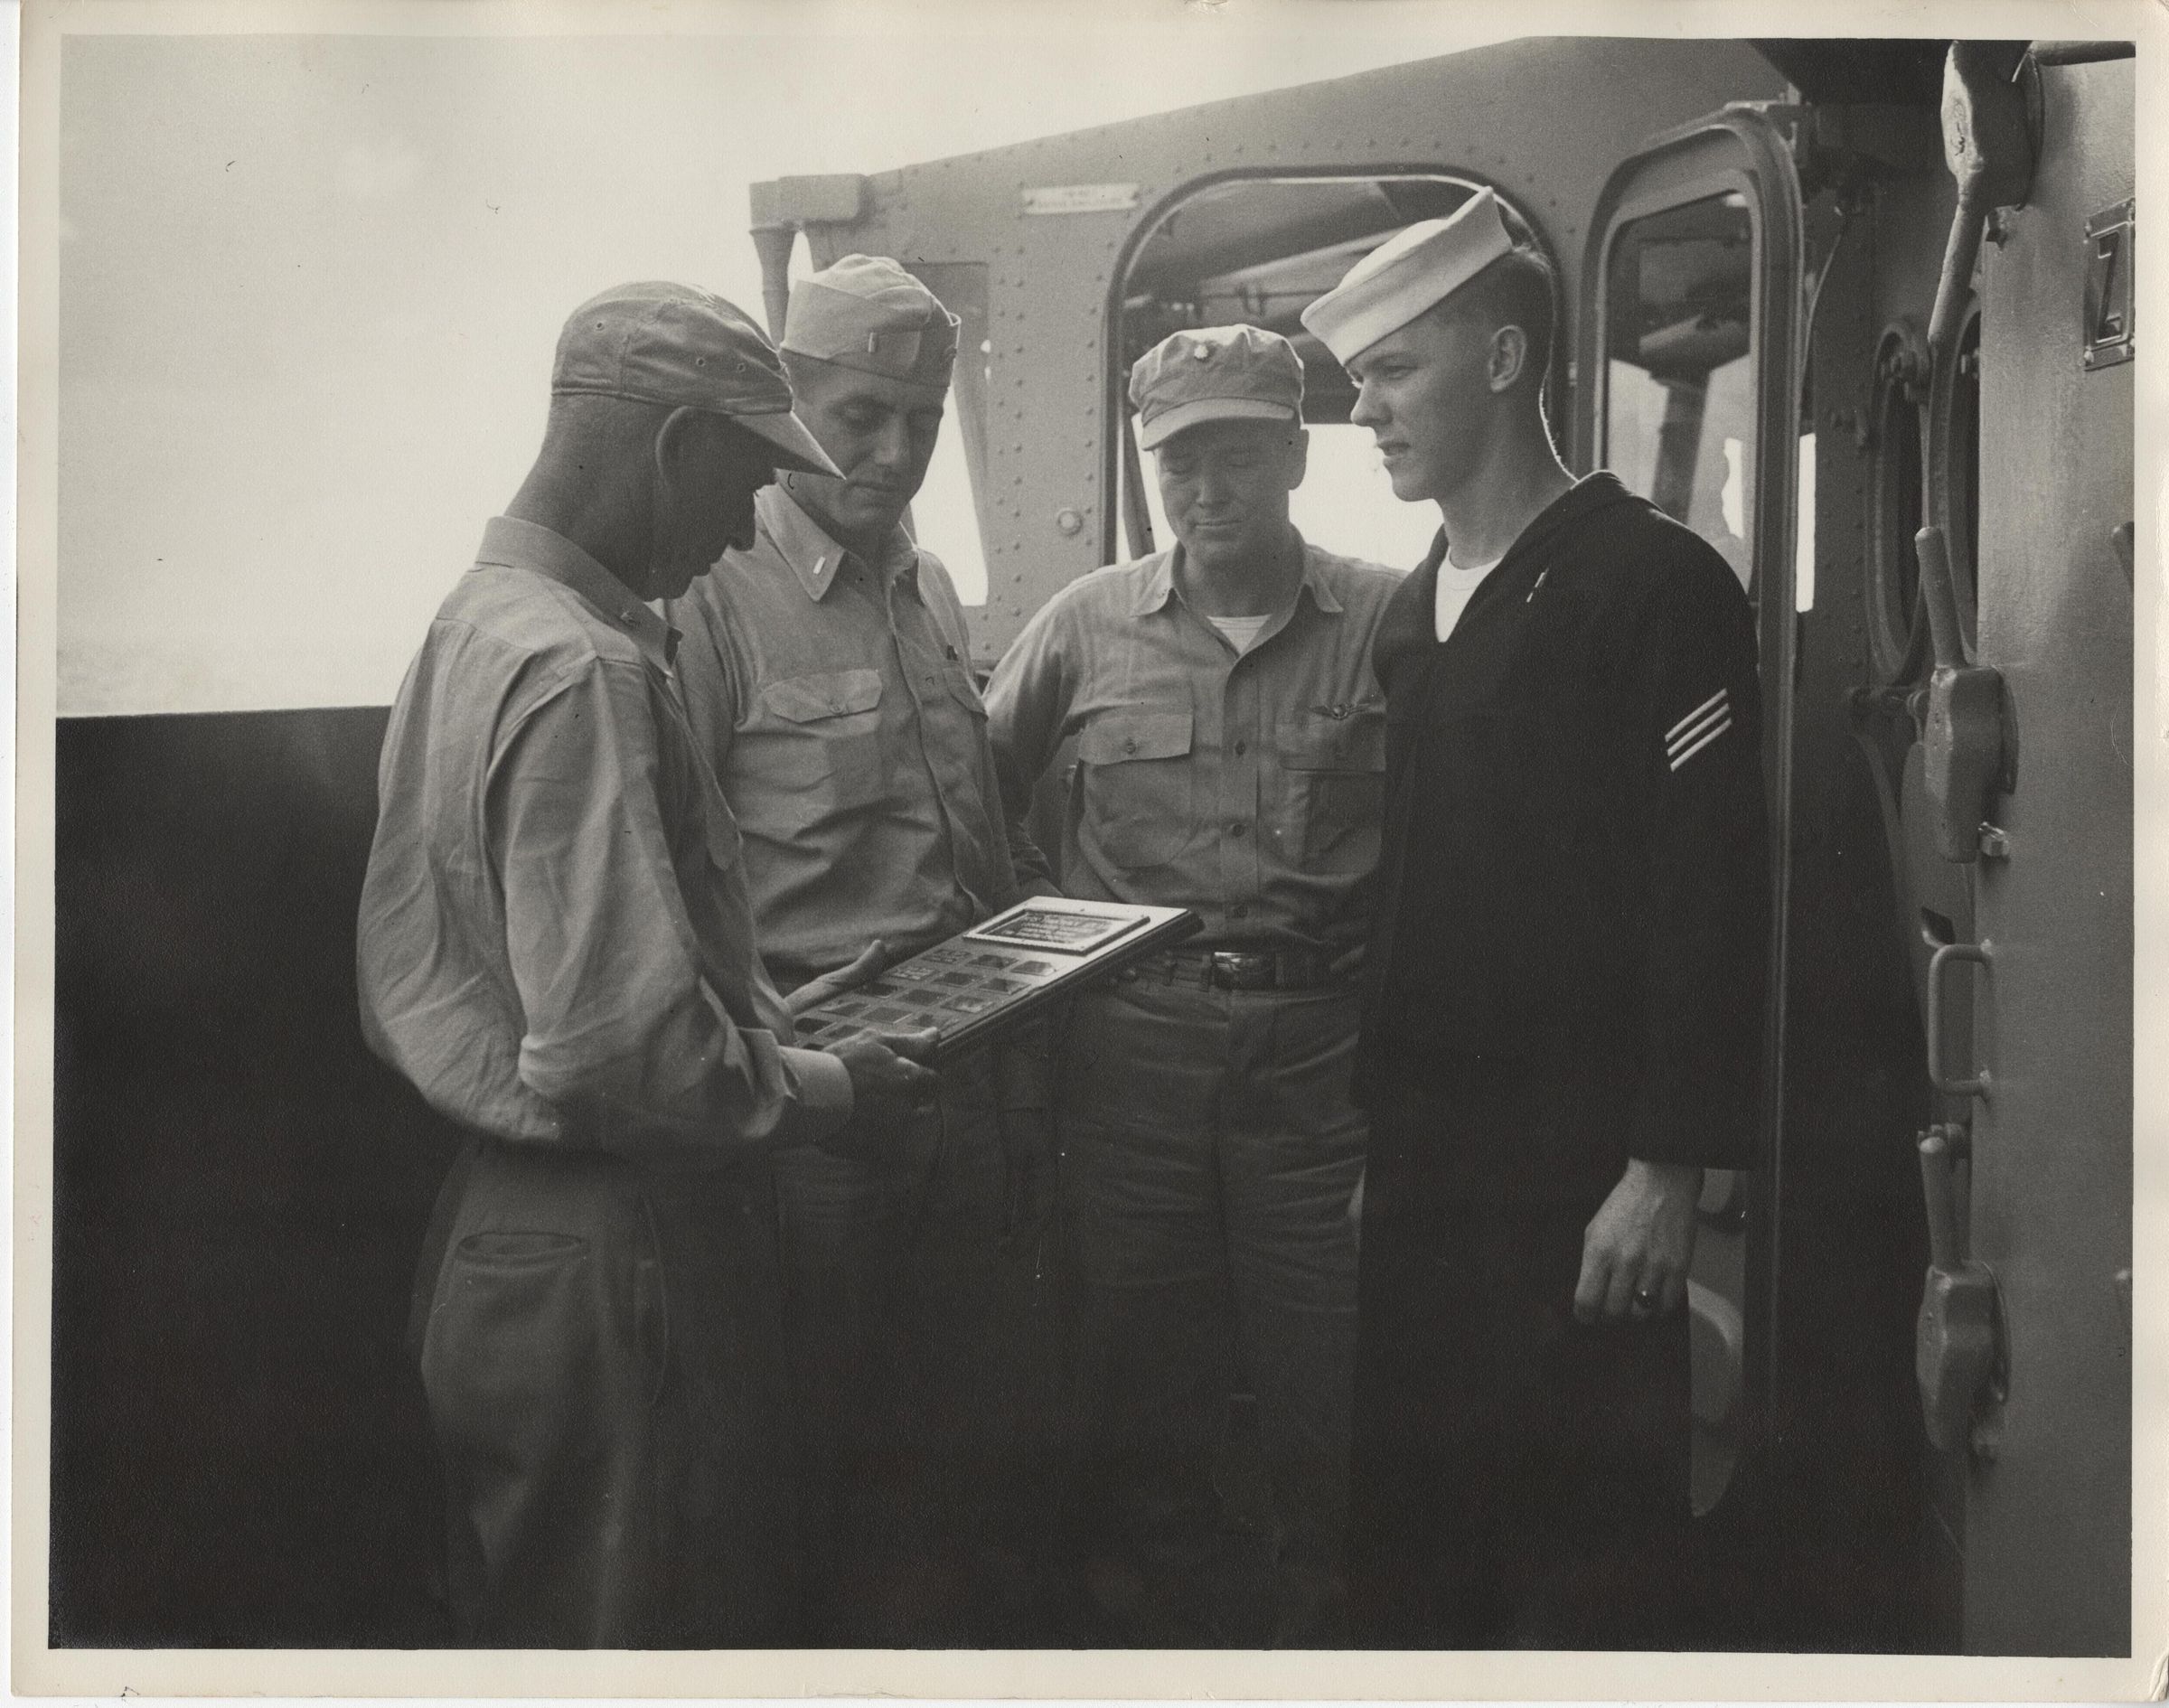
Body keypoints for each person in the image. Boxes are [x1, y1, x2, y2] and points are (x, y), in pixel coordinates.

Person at [357, 282, 940, 1647]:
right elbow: (621, 1055)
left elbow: (506, 971)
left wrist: (754, 1009)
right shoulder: (588, 668)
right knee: (658, 1632)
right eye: (746, 480)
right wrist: (832, 1085)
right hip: (623, 1251)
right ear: (678, 445)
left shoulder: (473, 623)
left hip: (497, 1234)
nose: (748, 525)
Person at [1299, 188, 1771, 1647]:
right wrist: (1387, 1143)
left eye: (1397, 372)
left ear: (1505, 362)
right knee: (1416, 1560)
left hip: (1581, 1187)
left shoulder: (1655, 588)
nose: (1365, 409)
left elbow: (1711, 891)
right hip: (1430, 1177)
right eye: (1362, 379)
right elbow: (1422, 902)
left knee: (1576, 1576)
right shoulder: (1418, 606)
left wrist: (1665, 1165)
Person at [983, 324, 1402, 1646]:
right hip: (1134, 1058)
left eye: (1235, 457)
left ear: (1292, 455)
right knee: (1135, 1387)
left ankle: (1325, 1639)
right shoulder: (1082, 628)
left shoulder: (1395, 619)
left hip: (1323, 1058)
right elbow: (976, 803)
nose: (1206, 491)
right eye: (1180, 466)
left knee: (1335, 1391)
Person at [670, 254, 1053, 1645]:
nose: (893, 453)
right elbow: (661, 880)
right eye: (859, 414)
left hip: (963, 1104)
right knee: (804, 1482)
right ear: (784, 402)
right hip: (814, 1138)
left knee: (940, 1478)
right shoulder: (708, 597)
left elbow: (975, 848)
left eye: (923, 421)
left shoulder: (929, 585)